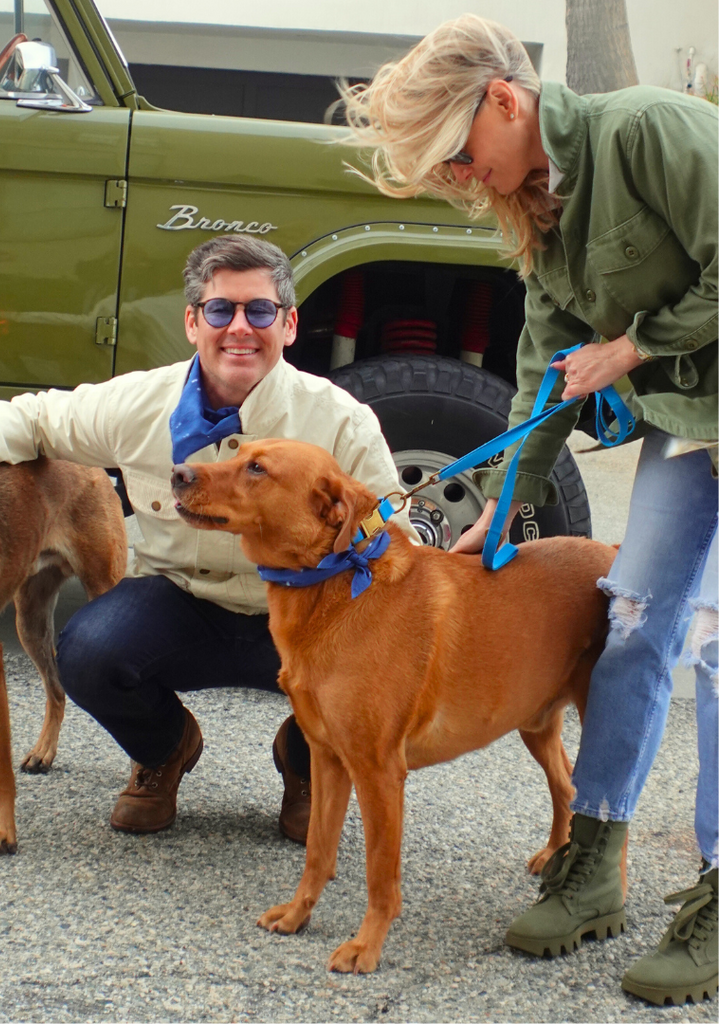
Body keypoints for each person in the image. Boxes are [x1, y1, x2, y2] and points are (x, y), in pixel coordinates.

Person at [342, 14, 717, 1006]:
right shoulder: (537, 215)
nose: (461, 180)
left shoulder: (644, 131)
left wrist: (629, 349)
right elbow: (540, 377)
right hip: (695, 418)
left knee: (717, 644)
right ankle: (593, 858)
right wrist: (503, 507)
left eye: (461, 156)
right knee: (631, 615)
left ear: (506, 102)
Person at [0, 235, 417, 843]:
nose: (240, 327)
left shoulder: (341, 421)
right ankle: (165, 748)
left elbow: (393, 543)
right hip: (184, 606)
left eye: (259, 311)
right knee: (89, 650)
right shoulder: (139, 402)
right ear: (192, 322)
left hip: (300, 621)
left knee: (370, 648)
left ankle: (307, 759)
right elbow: (35, 419)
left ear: (289, 326)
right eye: (220, 310)